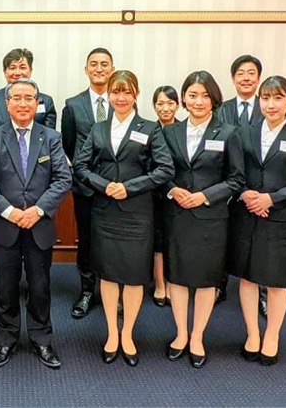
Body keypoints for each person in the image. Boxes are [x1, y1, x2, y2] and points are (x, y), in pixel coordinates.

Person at [74, 71, 174, 366]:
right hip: (104, 211)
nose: (120, 97)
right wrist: (104, 185)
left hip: (136, 213)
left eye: (126, 92)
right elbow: (80, 166)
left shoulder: (151, 128)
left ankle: (127, 333)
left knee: (132, 276)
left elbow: (164, 170)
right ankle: (111, 334)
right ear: (109, 96)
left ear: (136, 94)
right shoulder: (97, 129)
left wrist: (128, 188)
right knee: (107, 273)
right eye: (115, 92)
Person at [0, 79, 72, 370]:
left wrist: (38, 210)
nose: (22, 103)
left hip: (39, 226)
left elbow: (62, 179)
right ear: (7, 104)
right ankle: (5, 339)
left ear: (37, 103)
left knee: (40, 286)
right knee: (5, 288)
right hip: (6, 226)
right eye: (16, 98)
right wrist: (9, 211)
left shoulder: (51, 137)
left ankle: (42, 339)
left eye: (28, 98)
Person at [227, 76, 286, 366]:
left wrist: (272, 199)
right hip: (246, 214)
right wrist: (245, 194)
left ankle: (272, 336)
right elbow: (234, 174)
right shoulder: (244, 133)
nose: (271, 104)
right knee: (248, 277)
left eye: (277, 98)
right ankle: (252, 334)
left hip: (279, 218)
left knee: (277, 282)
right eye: (265, 98)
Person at [161, 71, 244, 369]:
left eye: (204, 95)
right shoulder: (169, 132)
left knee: (207, 279)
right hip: (177, 214)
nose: (198, 101)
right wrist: (172, 190)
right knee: (179, 277)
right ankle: (181, 334)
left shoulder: (229, 132)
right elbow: (160, 172)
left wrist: (205, 196)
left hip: (211, 216)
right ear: (183, 98)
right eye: (192, 95)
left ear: (214, 99)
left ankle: (198, 336)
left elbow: (236, 179)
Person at [61, 47, 115, 319]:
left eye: (104, 64)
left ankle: (111, 291)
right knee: (87, 239)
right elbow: (68, 145)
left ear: (112, 69)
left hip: (116, 189)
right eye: (93, 64)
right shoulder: (73, 105)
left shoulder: (121, 100)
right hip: (85, 187)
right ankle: (86, 291)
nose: (99, 69)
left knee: (113, 241)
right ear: (86, 69)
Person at [216, 54, 266, 311]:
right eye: (240, 74)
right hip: (226, 186)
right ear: (233, 78)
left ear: (258, 78)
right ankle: (220, 284)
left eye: (251, 73)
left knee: (261, 241)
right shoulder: (222, 109)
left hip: (260, 188)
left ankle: (263, 292)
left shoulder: (268, 106)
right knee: (225, 237)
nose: (246, 78)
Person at [0, 48, 57, 146]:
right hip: (0, 157)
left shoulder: (45, 101)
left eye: (23, 67)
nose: (17, 72)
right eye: (12, 67)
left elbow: (49, 136)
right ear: (5, 71)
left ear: (31, 70)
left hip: (36, 157)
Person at [151, 85, 180, 307]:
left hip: (179, 194)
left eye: (170, 103)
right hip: (153, 193)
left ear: (178, 105)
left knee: (174, 239)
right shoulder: (148, 130)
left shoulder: (183, 130)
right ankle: (160, 284)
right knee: (157, 241)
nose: (165, 108)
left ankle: (174, 282)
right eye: (160, 103)